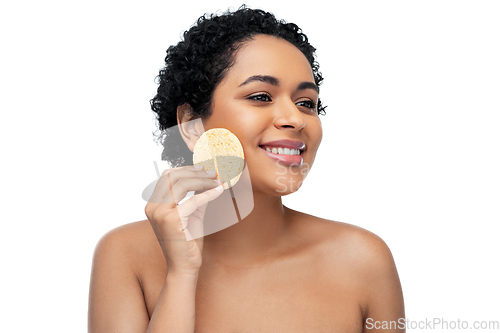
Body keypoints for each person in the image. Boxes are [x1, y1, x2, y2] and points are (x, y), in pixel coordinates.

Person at [88, 6, 405, 332]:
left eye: (306, 103)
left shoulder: (363, 261)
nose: (295, 119)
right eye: (261, 96)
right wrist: (181, 275)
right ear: (191, 125)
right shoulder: (125, 255)